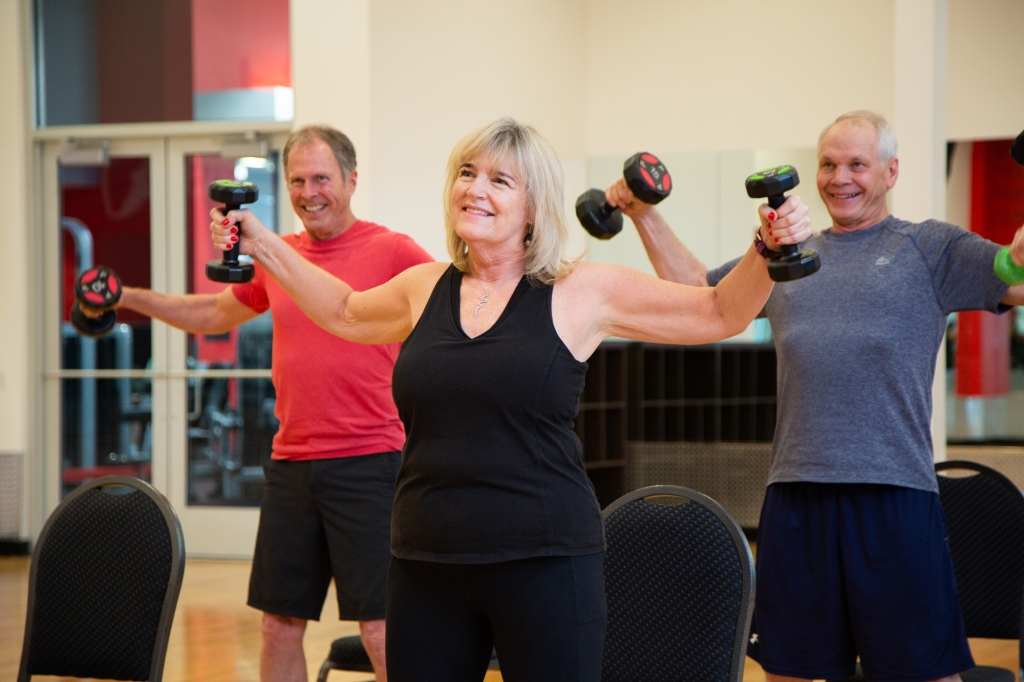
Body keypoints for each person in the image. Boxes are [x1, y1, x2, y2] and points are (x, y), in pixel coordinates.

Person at [206, 117, 811, 682]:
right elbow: (341, 310)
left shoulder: (581, 291)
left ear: (533, 206)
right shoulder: (424, 288)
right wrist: (259, 242)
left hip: (544, 562)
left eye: (499, 179)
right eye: (467, 174)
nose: (476, 189)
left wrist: (768, 247)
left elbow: (720, 311)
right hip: (425, 562)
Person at [604, 110, 1024, 682]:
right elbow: (699, 294)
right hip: (796, 497)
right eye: (828, 164)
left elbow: (1013, 275)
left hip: (894, 497)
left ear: (891, 171)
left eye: (857, 164)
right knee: (793, 671)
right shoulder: (786, 255)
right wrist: (642, 213)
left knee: (921, 672)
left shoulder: (929, 248)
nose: (839, 177)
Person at [113, 125, 432, 682]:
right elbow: (213, 315)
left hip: (370, 461)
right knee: (278, 625)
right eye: (297, 180)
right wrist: (129, 299)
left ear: (352, 180)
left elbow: (445, 314)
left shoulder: (393, 250)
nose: (310, 192)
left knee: (383, 628)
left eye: (322, 178)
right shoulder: (276, 254)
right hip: (291, 464)